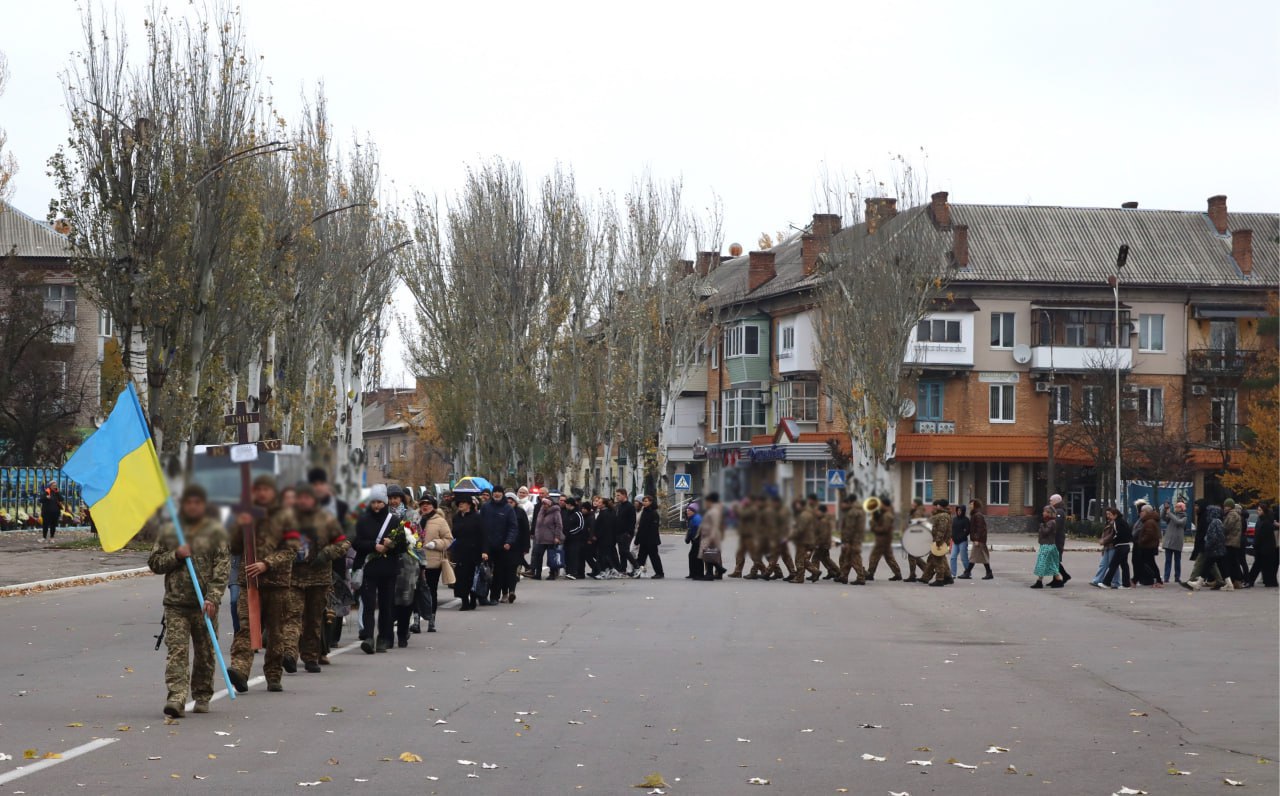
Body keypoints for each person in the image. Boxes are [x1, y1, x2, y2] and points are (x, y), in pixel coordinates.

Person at [148, 484, 229, 717]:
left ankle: (202, 695)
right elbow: (154, 563)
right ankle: (176, 697)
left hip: (205, 605)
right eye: (189, 502)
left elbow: (221, 569)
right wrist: (176, 555)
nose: (193, 506)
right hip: (176, 604)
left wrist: (213, 597)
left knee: (205, 653)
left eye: (197, 502)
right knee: (177, 652)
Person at [228, 475, 300, 693]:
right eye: (257, 489)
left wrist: (267, 563)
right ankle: (240, 671)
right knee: (247, 628)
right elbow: (235, 547)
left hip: (277, 583)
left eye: (265, 489)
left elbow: (291, 549)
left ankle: (273, 675)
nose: (261, 494)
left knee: (276, 632)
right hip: (250, 582)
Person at [285, 484, 349, 670]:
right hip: (294, 578)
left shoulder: (326, 520)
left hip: (319, 579)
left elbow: (343, 543)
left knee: (314, 620)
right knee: (293, 616)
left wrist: (326, 553)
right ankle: (289, 653)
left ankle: (311, 657)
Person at [352, 485, 404, 654]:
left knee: (386, 604)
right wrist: (374, 546)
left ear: (385, 502)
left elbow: (403, 545)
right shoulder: (362, 520)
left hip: (388, 570)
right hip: (368, 569)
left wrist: (392, 544)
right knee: (368, 604)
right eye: (373, 502)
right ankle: (368, 636)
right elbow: (356, 542)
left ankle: (384, 638)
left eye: (379, 502)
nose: (376, 506)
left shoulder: (394, 521)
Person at [415, 495, 452, 629]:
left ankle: (431, 619)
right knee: (415, 591)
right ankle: (416, 620)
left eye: (428, 504)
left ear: (434, 506)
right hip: (415, 560)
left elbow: (448, 539)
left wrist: (435, 544)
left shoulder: (440, 521)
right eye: (422, 504)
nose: (425, 506)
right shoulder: (415, 519)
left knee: (431, 590)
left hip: (433, 561)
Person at [479, 486, 518, 603]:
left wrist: (508, 541)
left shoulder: (508, 509)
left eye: (499, 492)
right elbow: (480, 524)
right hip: (487, 545)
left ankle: (495, 596)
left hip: (502, 546)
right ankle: (483, 595)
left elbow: (513, 527)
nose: (496, 494)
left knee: (499, 573)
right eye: (495, 492)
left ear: (502, 494)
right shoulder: (486, 507)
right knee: (485, 571)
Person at [450, 496, 487, 610]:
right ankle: (464, 601)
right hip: (460, 552)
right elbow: (453, 534)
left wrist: (485, 551)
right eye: (459, 503)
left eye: (463, 503)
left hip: (474, 552)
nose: (460, 505)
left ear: (469, 505)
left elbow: (483, 535)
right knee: (461, 578)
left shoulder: (477, 517)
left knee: (472, 577)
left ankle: (473, 599)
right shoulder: (456, 517)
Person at [1184, 506, 1229, 591]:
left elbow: (1213, 537)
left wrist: (1207, 544)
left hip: (1213, 549)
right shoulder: (1218, 521)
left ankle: (1197, 583)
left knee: (1207, 565)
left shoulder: (1214, 522)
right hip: (1218, 549)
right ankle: (1227, 583)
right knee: (1217, 566)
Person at [866, 497, 902, 581]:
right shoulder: (886, 513)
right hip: (885, 539)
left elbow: (884, 529)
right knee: (889, 557)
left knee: (874, 556)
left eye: (881, 504)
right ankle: (898, 574)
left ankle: (870, 573)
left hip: (883, 539)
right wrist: (875, 517)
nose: (880, 506)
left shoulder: (887, 515)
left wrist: (874, 528)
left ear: (885, 505)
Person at [530, 495, 564, 580]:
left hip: (551, 538)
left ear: (549, 504)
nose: (544, 505)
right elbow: (538, 524)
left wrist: (557, 537)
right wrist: (535, 533)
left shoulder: (555, 512)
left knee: (551, 557)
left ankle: (552, 573)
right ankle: (538, 574)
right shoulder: (541, 510)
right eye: (543, 503)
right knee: (538, 556)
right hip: (540, 538)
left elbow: (559, 525)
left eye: (545, 504)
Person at [1099, 506, 1133, 589]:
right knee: (1124, 565)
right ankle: (1126, 584)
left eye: (1110, 515)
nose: (1108, 516)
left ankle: (1106, 583)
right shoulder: (1122, 521)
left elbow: (1117, 534)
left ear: (1115, 515)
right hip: (1125, 545)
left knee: (1113, 565)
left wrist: (1113, 541)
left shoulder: (1117, 523)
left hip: (1120, 546)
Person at [763, 495, 796, 580]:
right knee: (785, 555)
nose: (772, 505)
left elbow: (783, 525)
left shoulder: (783, 512)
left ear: (777, 502)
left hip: (780, 537)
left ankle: (767, 573)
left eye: (773, 503)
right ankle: (792, 572)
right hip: (778, 536)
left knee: (774, 555)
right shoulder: (777, 510)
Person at [1031, 505, 1064, 589]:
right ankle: (1059, 580)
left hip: (1048, 546)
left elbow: (1046, 532)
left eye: (1044, 511)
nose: (1043, 513)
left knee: (1042, 563)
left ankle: (1039, 581)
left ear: (1049, 513)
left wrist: (1041, 526)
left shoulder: (1051, 522)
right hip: (1046, 545)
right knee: (1050, 564)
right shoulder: (1049, 522)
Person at [837, 494, 867, 585]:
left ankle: (861, 577)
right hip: (858, 537)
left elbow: (849, 528)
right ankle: (844, 576)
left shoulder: (852, 512)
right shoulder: (861, 510)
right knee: (848, 556)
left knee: (854, 557)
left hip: (853, 539)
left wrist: (846, 540)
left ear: (849, 501)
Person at [1245, 503, 1277, 588]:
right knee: (1261, 565)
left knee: (1260, 565)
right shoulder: (1261, 520)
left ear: (1264, 511)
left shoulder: (1266, 521)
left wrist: (1256, 544)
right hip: (1262, 547)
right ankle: (1267, 582)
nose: (1258, 511)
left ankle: (1250, 580)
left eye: (1260, 510)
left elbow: (1262, 535)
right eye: (1258, 510)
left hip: (1265, 548)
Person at [923, 499, 954, 586]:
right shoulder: (943, 515)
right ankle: (948, 578)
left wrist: (938, 541)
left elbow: (941, 529)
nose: (936, 506)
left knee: (938, 560)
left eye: (937, 505)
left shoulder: (943, 516)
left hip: (940, 542)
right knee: (941, 559)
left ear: (940, 506)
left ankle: (940, 579)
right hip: (941, 541)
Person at [634, 495, 665, 578]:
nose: (644, 503)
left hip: (651, 540)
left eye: (646, 501)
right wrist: (638, 539)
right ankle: (637, 572)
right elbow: (641, 527)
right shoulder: (645, 511)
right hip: (644, 540)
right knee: (641, 558)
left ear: (650, 502)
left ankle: (660, 573)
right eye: (643, 501)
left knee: (654, 557)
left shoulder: (654, 513)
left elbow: (654, 529)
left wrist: (651, 540)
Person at [790, 497, 819, 583]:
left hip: (804, 540)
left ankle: (800, 578)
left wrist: (790, 537)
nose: (796, 506)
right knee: (803, 559)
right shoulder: (807, 513)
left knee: (799, 559)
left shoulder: (804, 515)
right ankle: (815, 571)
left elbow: (800, 529)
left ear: (801, 505)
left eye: (797, 505)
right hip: (808, 539)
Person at [1133, 504, 1163, 587]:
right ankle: (1135, 580)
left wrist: (1141, 541)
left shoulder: (1150, 521)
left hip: (1148, 547)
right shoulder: (1148, 520)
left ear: (1147, 512)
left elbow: (1149, 534)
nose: (1140, 513)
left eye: (1142, 511)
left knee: (1150, 564)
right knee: (1142, 563)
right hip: (1147, 546)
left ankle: (1158, 581)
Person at [811, 504, 841, 581]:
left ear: (821, 511)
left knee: (815, 558)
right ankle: (836, 571)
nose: (817, 512)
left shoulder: (823, 521)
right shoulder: (824, 519)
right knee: (826, 559)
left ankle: (815, 573)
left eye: (818, 511)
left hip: (822, 543)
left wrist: (818, 543)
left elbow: (823, 534)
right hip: (825, 542)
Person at [966, 498, 993, 580]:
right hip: (978, 539)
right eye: (970, 504)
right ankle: (989, 572)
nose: (970, 505)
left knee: (974, 557)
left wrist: (977, 539)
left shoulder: (978, 515)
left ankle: (967, 572)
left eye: (971, 504)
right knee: (982, 556)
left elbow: (980, 528)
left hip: (979, 540)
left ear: (975, 505)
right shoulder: (975, 514)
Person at [1161, 501, 1187, 583]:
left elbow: (1178, 522)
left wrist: (1170, 513)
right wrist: (1165, 510)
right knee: (1168, 560)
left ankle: (1177, 577)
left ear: (1182, 508)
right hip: (1169, 542)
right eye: (1175, 507)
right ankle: (1166, 577)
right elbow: (1163, 517)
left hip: (1177, 542)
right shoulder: (1172, 516)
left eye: (1178, 507)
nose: (1175, 508)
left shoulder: (1184, 517)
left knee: (1177, 561)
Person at [699, 493, 723, 580]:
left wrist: (712, 536)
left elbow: (715, 525)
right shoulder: (714, 509)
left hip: (711, 536)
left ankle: (713, 572)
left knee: (710, 554)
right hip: (710, 535)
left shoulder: (714, 511)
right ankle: (716, 571)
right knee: (711, 554)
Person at [614, 489, 638, 575]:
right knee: (621, 552)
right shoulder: (619, 506)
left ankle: (637, 566)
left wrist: (628, 533)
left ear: (624, 495)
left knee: (625, 551)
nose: (617, 497)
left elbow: (632, 521)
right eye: (616, 495)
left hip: (626, 533)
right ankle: (623, 570)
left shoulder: (630, 506)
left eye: (618, 495)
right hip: (619, 533)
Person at [562, 496, 587, 580]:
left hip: (576, 539)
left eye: (566, 504)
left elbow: (581, 526)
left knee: (575, 556)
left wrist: (570, 533)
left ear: (569, 504)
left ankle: (575, 572)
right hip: (567, 539)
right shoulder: (567, 513)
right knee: (568, 555)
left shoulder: (578, 513)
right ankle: (569, 571)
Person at [1048, 493, 1071, 585]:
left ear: (1056, 501)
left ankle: (1064, 576)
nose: (1050, 502)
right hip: (1054, 538)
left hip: (1057, 539)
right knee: (1054, 559)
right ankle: (1056, 578)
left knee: (1055, 559)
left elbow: (1057, 525)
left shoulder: (1059, 512)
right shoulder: (1055, 510)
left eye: (1051, 501)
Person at [1221, 499, 1245, 588]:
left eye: (1226, 506)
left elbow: (1227, 527)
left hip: (1230, 541)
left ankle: (1236, 580)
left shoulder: (1232, 515)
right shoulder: (1235, 514)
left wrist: (1221, 529)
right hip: (1233, 542)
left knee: (1231, 562)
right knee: (1233, 562)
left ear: (1230, 506)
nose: (1224, 508)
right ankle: (1237, 580)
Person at [684, 503, 704, 579]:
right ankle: (693, 573)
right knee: (692, 556)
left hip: (698, 540)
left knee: (697, 557)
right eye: (687, 510)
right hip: (695, 540)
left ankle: (698, 574)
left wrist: (691, 538)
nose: (687, 512)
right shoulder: (692, 518)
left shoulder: (696, 518)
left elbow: (696, 530)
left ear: (694, 511)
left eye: (689, 510)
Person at [950, 504, 971, 578]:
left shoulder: (966, 520)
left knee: (964, 558)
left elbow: (967, 531)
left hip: (962, 541)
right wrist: (952, 536)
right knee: (952, 557)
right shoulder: (954, 519)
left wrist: (961, 536)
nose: (959, 512)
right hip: (955, 542)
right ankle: (952, 574)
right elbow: (952, 529)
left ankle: (967, 572)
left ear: (963, 511)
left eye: (960, 510)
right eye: (958, 510)